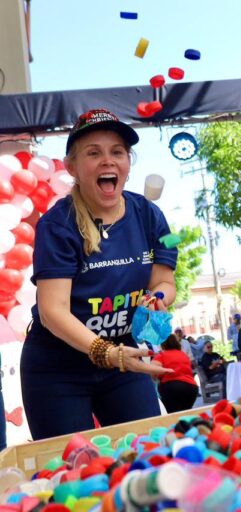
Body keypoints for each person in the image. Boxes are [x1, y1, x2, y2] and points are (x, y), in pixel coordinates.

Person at [20, 108, 176, 440]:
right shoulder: (56, 224)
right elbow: (52, 311)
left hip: (125, 360)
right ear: (72, 167)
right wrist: (107, 352)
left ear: (128, 164)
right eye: (94, 153)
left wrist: (159, 299)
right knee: (69, 472)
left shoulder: (151, 216)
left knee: (148, 453)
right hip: (57, 367)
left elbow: (165, 281)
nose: (107, 161)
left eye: (117, 152)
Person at [151, 334, 198, 413]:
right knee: (185, 413)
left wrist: (155, 378)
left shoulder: (161, 355)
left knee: (172, 414)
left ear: (163, 344)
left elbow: (153, 370)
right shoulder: (183, 354)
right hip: (191, 388)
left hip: (171, 387)